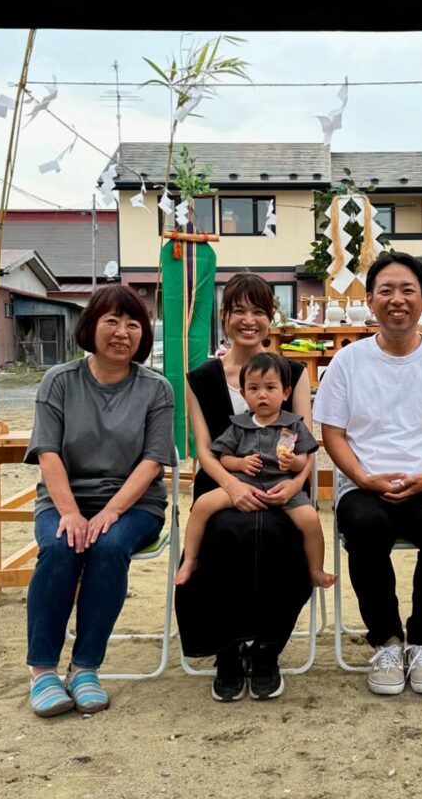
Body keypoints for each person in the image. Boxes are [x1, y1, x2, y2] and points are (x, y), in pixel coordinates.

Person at [314, 252, 422, 696]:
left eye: (407, 290)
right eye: (385, 290)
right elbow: (333, 432)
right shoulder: (348, 363)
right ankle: (386, 641)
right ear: (370, 301)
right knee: (363, 526)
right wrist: (363, 479)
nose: (396, 300)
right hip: (364, 484)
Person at [23, 284, 174, 718]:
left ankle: (85, 667)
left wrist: (109, 513)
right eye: (111, 320)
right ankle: (43, 671)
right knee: (59, 546)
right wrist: (70, 513)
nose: (122, 332)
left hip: (135, 504)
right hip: (64, 499)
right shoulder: (59, 381)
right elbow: (47, 453)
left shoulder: (156, 389)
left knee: (108, 546)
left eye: (133, 324)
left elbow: (153, 462)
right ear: (91, 326)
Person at [175, 274, 314, 702]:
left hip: (281, 485)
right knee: (225, 534)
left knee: (282, 536)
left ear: (271, 318)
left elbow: (306, 442)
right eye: (239, 311)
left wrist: (294, 484)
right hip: (221, 482)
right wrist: (233, 487)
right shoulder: (201, 378)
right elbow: (203, 449)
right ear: (225, 316)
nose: (249, 321)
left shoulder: (293, 372)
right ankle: (229, 650)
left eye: (259, 311)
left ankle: (269, 648)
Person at [174, 352, 335, 590]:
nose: (262, 395)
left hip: (282, 488)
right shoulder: (239, 425)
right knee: (201, 505)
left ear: (285, 393)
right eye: (254, 388)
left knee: (311, 519)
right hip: (243, 485)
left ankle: (315, 569)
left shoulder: (293, 424)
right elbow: (224, 457)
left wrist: (293, 464)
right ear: (243, 394)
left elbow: (305, 458)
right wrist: (240, 464)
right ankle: (190, 560)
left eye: (270, 388)